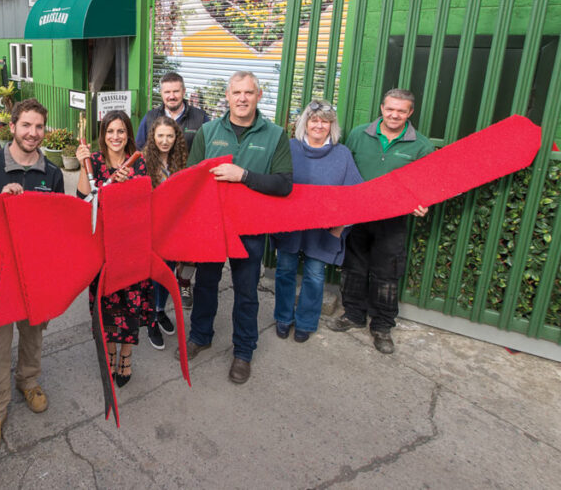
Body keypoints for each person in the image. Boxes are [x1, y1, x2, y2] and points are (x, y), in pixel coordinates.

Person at [0, 98, 65, 456]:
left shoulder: (52, 173)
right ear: (13, 127)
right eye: (27, 126)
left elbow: (56, 226)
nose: (33, 134)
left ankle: (29, 380)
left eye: (39, 127)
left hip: (34, 273)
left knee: (33, 334)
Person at [179, 71, 293, 385]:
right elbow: (192, 179)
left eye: (248, 93)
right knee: (205, 284)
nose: (242, 99)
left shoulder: (275, 135)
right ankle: (200, 335)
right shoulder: (208, 131)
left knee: (246, 292)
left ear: (258, 96)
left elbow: (284, 184)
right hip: (213, 226)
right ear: (227, 97)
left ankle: (243, 351)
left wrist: (243, 175)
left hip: (251, 230)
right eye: (236, 93)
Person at [327, 89, 434, 354]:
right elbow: (344, 169)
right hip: (358, 216)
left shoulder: (421, 145)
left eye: (401, 110)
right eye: (390, 109)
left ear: (410, 113)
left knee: (387, 274)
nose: (394, 114)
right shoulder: (359, 134)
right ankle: (352, 315)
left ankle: (383, 326)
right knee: (353, 267)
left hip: (392, 220)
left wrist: (423, 202)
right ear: (381, 108)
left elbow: (426, 184)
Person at [270, 101, 362, 343]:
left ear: (331, 125)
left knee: (314, 275)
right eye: (314, 120)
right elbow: (275, 183)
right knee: (285, 270)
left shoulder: (341, 154)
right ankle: (283, 317)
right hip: (290, 225)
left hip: (323, 230)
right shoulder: (289, 148)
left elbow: (354, 196)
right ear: (305, 123)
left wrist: (339, 228)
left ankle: (306, 322)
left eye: (324, 121)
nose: (319, 125)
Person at [75, 110, 152, 386]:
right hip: (102, 246)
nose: (115, 137)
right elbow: (84, 198)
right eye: (110, 131)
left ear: (128, 134)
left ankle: (126, 356)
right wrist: (83, 164)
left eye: (121, 131)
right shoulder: (94, 160)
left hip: (130, 246)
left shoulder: (138, 163)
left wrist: (126, 185)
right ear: (103, 135)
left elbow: (144, 205)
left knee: (131, 302)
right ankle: (109, 352)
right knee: (105, 302)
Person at [141, 116, 192, 348]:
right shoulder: (142, 162)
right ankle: (151, 317)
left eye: (170, 136)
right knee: (153, 276)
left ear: (176, 138)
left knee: (168, 274)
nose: (165, 140)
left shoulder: (181, 161)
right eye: (160, 135)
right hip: (151, 231)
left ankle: (161, 310)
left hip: (174, 230)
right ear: (153, 136)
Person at [136, 72, 209, 150]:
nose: (172, 96)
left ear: (184, 92)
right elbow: (139, 149)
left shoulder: (200, 117)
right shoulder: (150, 118)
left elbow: (208, 149)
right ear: (161, 93)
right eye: (167, 92)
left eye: (176, 91)